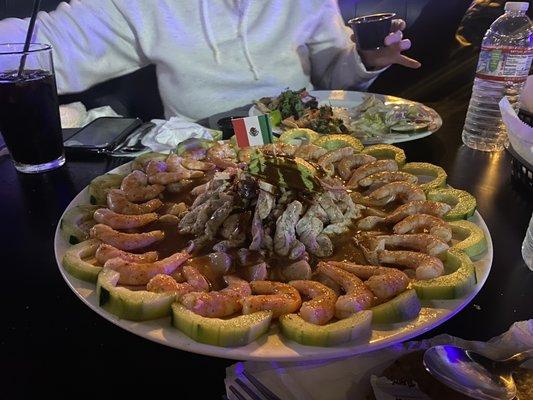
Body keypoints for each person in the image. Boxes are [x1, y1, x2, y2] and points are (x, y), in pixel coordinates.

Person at [0, 0, 420, 121]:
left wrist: (366, 60)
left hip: (306, 134)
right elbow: (51, 40)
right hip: (204, 150)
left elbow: (332, 76)